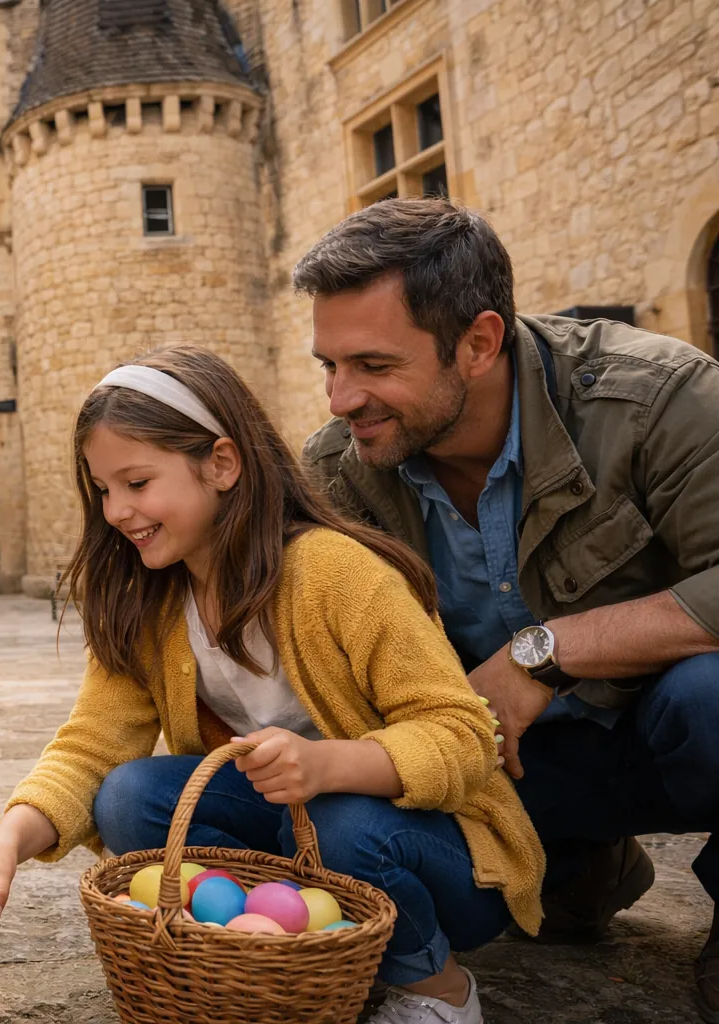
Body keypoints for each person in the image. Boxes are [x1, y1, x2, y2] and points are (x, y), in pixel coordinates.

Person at [0, 346, 544, 1024]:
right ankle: (289, 952)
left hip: (439, 860)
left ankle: (434, 983)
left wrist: (328, 764)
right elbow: (90, 747)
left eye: (136, 482)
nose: (115, 511)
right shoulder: (149, 600)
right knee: (129, 795)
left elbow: (462, 734)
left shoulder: (337, 573)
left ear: (222, 464)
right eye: (103, 490)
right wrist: (6, 840)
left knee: (341, 820)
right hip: (295, 841)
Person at [296, 198, 719, 1019]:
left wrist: (550, 649)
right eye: (329, 365)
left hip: (666, 729)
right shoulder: (341, 470)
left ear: (480, 342)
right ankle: (578, 858)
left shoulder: (661, 398)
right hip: (508, 767)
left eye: (373, 365)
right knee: (353, 821)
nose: (343, 398)